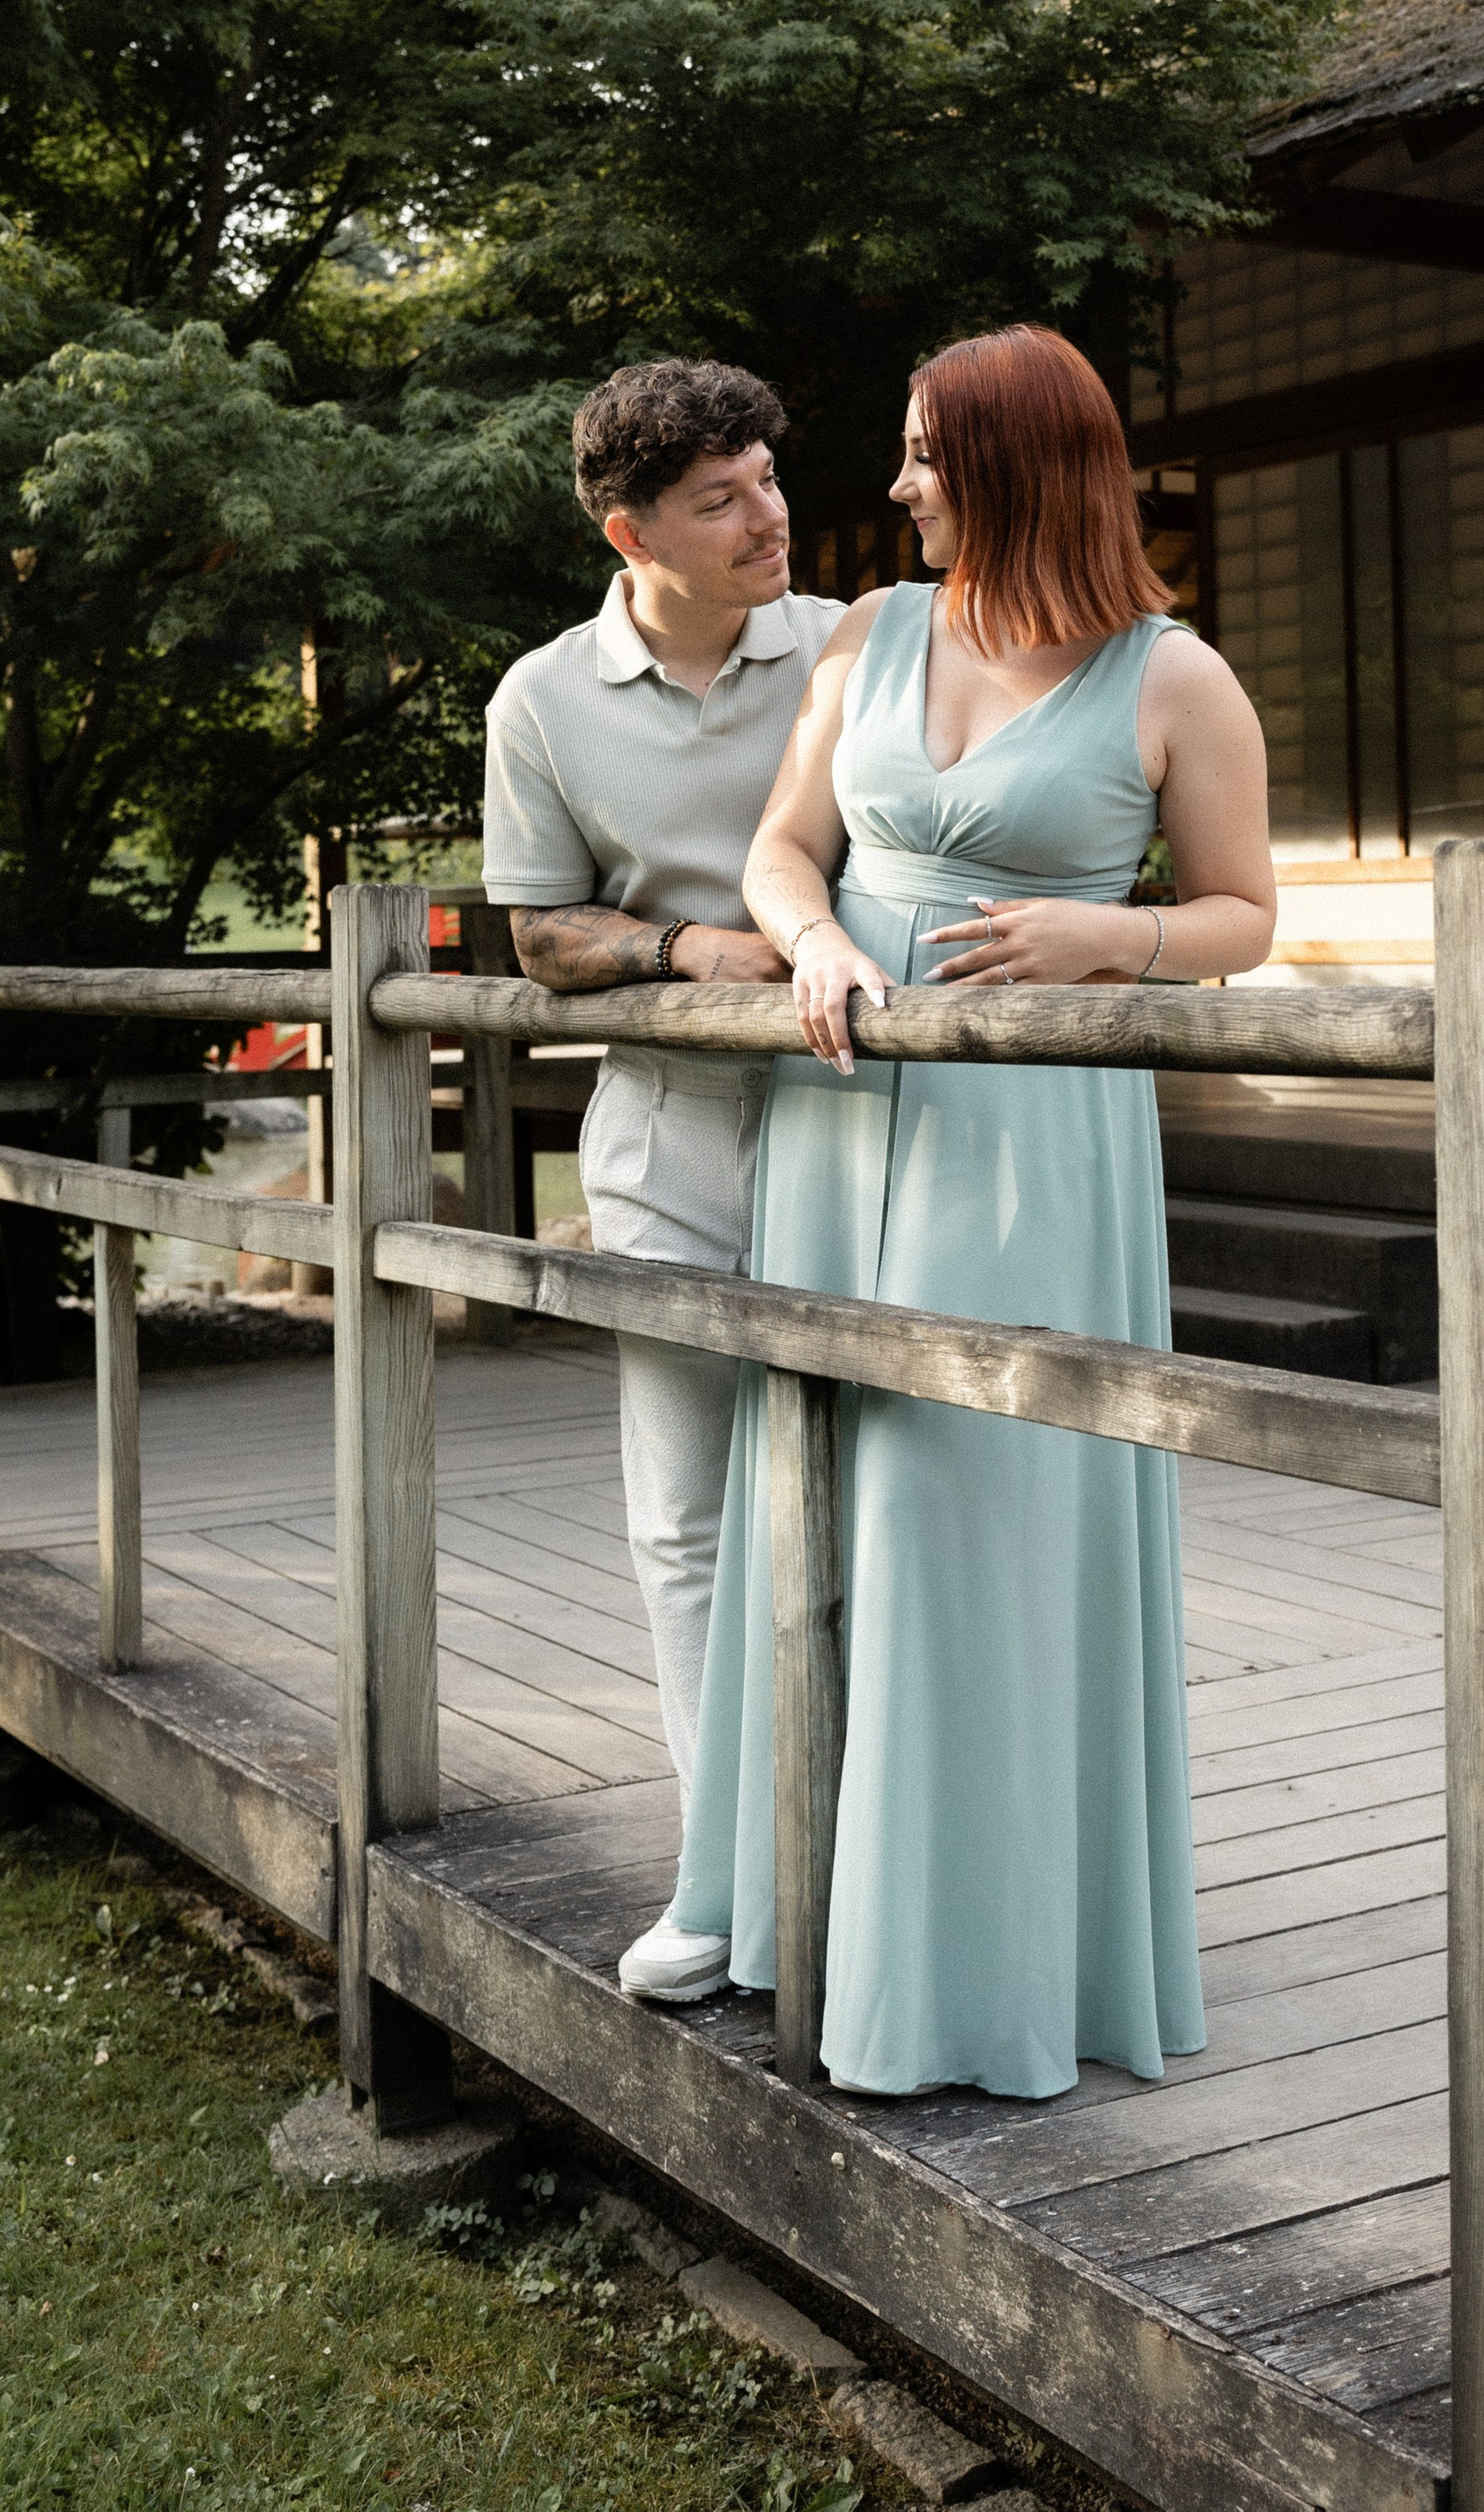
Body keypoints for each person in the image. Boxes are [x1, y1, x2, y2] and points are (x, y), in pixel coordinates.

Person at [671, 323, 1278, 2099]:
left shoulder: (1176, 682)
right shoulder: (866, 633)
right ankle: (799, 1917)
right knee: (820, 1496)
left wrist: (1120, 936)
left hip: (1030, 1146)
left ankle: (978, 1975)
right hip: (838, 1112)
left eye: (925, 451)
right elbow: (782, 848)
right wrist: (816, 939)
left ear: (1011, 467)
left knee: (972, 1518)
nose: (895, 482)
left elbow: (1246, 917)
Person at [480, 359, 842, 2002]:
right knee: (688, 1514)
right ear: (631, 531)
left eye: (768, 479)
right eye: (723, 499)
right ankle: (726, 1881)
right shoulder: (542, 699)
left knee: (870, 1494)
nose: (768, 514)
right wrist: (696, 949)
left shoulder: (849, 643)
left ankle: (873, 1861)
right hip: (668, 1129)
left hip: (865, 1113)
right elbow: (542, 933)